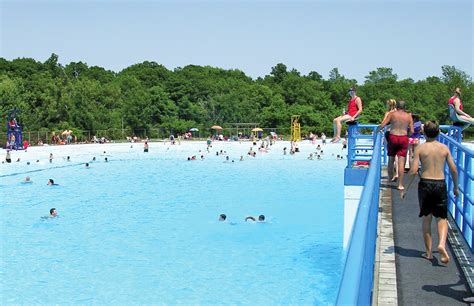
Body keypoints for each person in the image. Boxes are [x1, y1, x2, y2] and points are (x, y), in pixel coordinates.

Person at [403, 121, 458, 264]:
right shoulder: (444, 148)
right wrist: (456, 187)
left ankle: (428, 253)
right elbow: (453, 169)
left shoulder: (420, 149)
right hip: (440, 184)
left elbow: (414, 171)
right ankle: (441, 243)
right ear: (439, 132)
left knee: (427, 218)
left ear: (424, 133)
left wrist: (406, 188)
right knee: (442, 218)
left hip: (425, 184)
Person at [377, 100, 414, 191]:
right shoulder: (408, 116)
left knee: (391, 159)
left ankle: (390, 179)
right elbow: (412, 131)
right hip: (403, 138)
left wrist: (376, 131)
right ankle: (400, 184)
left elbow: (383, 124)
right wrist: (407, 136)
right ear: (405, 108)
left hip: (393, 137)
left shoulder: (392, 114)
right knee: (401, 162)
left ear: (396, 107)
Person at [384, 99, 399, 181]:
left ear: (389, 105)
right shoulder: (398, 112)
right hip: (398, 134)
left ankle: (390, 177)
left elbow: (384, 123)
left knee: (391, 156)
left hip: (389, 133)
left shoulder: (388, 113)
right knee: (397, 155)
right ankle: (397, 173)